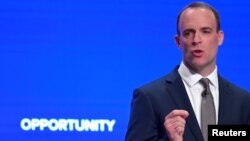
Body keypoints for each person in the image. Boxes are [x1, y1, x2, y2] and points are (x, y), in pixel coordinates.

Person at [125, 1, 250, 141]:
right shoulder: (149, 97)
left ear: (219, 38)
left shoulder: (243, 101)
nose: (196, 40)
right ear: (178, 41)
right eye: (188, 33)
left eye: (205, 31)